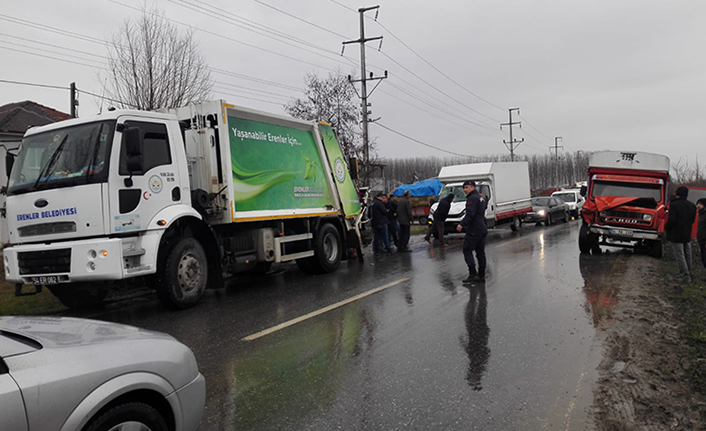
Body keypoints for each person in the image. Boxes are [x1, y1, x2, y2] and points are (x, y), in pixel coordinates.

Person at [457, 180, 488, 283]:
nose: (465, 190)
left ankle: (473, 274)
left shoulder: (472, 198)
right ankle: (481, 275)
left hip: (474, 229)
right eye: (464, 188)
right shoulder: (481, 198)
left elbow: (470, 214)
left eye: (467, 187)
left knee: (467, 250)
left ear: (473, 187)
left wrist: (462, 224)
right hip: (482, 227)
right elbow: (484, 207)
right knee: (480, 252)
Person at [665, 186, 697, 283]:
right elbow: (692, 220)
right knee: (688, 254)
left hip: (676, 233)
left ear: (677, 194)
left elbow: (672, 220)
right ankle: (689, 272)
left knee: (680, 255)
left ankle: (685, 275)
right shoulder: (692, 205)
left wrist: (667, 228)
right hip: (687, 233)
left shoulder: (674, 205)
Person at [697, 198, 706, 279]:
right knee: (703, 259)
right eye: (698, 203)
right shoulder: (701, 214)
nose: (698, 205)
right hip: (701, 240)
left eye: (700, 204)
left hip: (704, 240)